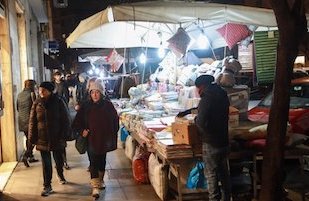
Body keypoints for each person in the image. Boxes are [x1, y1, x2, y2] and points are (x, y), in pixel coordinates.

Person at [177, 75, 231, 201]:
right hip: (224, 140)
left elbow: (201, 121)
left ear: (201, 87)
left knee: (211, 175)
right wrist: (188, 112)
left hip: (211, 142)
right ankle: (227, 198)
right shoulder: (222, 94)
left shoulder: (207, 98)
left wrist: (196, 121)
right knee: (224, 174)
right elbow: (210, 110)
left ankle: (214, 199)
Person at [72, 79, 119, 198]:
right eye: (92, 92)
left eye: (97, 92)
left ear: (101, 93)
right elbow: (77, 122)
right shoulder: (86, 106)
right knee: (93, 162)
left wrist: (112, 133)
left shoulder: (108, 105)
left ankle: (101, 180)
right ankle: (95, 186)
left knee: (102, 162)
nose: (95, 95)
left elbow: (115, 121)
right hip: (91, 140)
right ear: (90, 93)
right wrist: (82, 131)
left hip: (103, 140)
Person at [28, 81, 71, 197]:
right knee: (46, 164)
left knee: (59, 160)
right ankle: (47, 185)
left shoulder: (59, 101)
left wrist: (64, 135)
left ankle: (60, 174)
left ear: (50, 91)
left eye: (44, 90)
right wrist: (31, 138)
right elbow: (32, 121)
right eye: (40, 90)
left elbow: (66, 119)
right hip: (42, 139)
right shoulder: (37, 103)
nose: (41, 92)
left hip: (57, 137)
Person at [16, 79, 39, 167]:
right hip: (31, 120)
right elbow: (36, 106)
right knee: (33, 138)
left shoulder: (19, 94)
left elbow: (18, 107)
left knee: (28, 138)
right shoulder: (32, 94)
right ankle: (26, 155)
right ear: (32, 86)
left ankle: (31, 157)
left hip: (22, 120)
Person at [52, 71, 70, 169]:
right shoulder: (52, 84)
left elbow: (66, 95)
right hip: (54, 118)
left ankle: (65, 161)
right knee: (55, 146)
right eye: (57, 75)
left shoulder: (64, 85)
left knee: (62, 144)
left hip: (62, 109)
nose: (58, 77)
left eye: (59, 75)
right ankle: (59, 162)